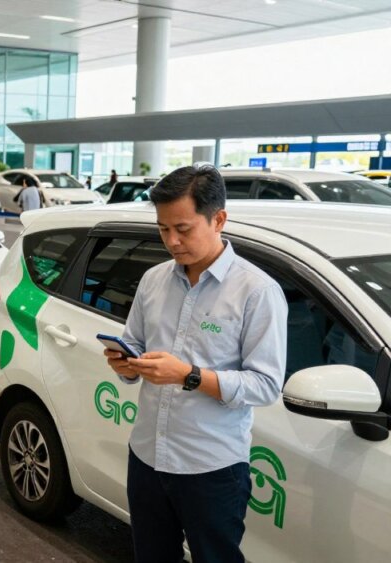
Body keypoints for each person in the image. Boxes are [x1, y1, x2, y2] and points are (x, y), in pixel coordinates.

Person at [103, 165, 287, 563]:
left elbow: (266, 385)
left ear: (218, 218)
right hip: (147, 456)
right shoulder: (153, 280)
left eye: (183, 229)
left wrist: (187, 375)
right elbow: (134, 342)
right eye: (163, 229)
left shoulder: (257, 292)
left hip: (212, 467)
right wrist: (124, 363)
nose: (171, 241)